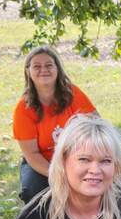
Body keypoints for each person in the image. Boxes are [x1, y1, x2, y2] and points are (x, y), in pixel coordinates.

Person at [12, 45, 96, 203]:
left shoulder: (73, 93)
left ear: (57, 69)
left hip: (77, 158)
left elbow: (97, 126)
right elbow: (32, 154)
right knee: (34, 193)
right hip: (43, 163)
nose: (43, 69)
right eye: (36, 66)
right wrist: (60, 174)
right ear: (28, 71)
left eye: (49, 65)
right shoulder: (23, 108)